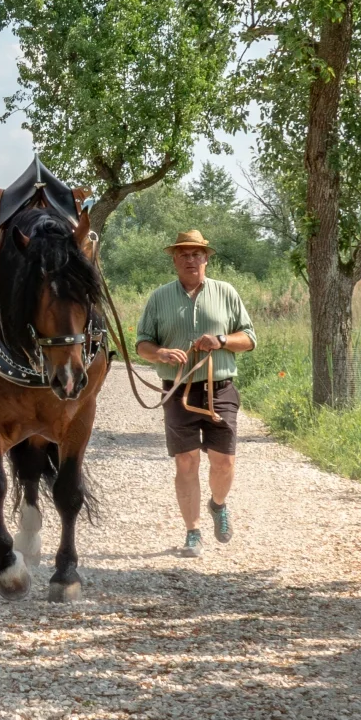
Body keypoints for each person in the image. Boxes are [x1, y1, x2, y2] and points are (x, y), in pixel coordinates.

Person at [132, 228, 257, 559]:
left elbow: (249, 338)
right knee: (186, 462)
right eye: (184, 254)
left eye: (197, 254)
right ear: (174, 259)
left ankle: (218, 505)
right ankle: (193, 531)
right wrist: (159, 354)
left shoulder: (226, 292)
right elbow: (142, 342)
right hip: (177, 390)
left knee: (224, 461)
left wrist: (221, 341)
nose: (191, 259)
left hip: (221, 388)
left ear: (206, 258)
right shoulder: (159, 298)